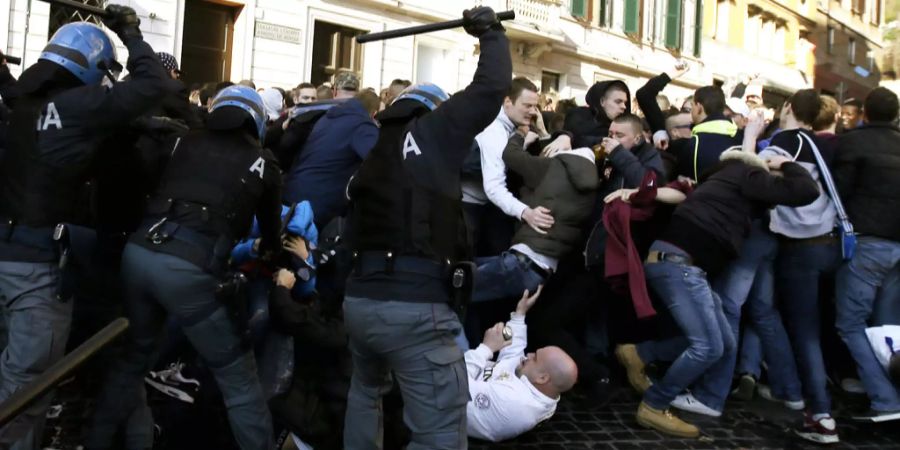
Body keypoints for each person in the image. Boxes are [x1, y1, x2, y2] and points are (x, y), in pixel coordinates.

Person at [0, 7, 171, 449]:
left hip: (5, 252)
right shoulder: (78, 106)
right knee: (26, 389)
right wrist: (130, 33)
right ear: (91, 66)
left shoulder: (19, 107)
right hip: (38, 269)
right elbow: (154, 85)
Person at [341, 7, 511, 449]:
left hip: (360, 301)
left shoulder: (376, 152)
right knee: (439, 432)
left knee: (364, 395)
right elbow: (491, 87)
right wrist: (490, 33)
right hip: (415, 307)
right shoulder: (434, 129)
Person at [86, 85, 282, 450]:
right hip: (192, 268)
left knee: (132, 362)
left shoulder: (182, 141)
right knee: (239, 382)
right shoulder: (263, 163)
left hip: (139, 253)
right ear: (255, 121)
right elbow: (272, 234)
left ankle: (98, 442)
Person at [614, 147, 819, 437]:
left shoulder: (724, 178)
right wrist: (786, 164)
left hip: (681, 265)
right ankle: (654, 404)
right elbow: (804, 190)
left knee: (723, 342)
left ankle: (641, 352)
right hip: (679, 266)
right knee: (708, 346)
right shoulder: (748, 173)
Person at [832, 87, 900, 421]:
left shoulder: (853, 142)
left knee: (851, 322)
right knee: (888, 326)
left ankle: (885, 398)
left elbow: (838, 192)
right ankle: (886, 388)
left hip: (867, 242)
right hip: (897, 246)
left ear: (865, 114)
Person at [471, 130, 598, 304]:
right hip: (541, 270)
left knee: (450, 286)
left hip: (522, 262)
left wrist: (522, 135)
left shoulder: (554, 167)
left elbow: (511, 155)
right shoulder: (589, 183)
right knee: (463, 274)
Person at [466, 287, 578, 442]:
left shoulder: (514, 403)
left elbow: (453, 383)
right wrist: (519, 316)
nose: (529, 355)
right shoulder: (536, 384)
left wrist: (487, 348)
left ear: (543, 377)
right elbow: (513, 352)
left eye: (535, 358)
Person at [462, 77, 548, 258]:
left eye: (535, 106)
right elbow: (494, 187)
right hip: (469, 211)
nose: (532, 111)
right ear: (508, 102)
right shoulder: (494, 131)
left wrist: (542, 133)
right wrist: (526, 213)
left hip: (482, 209)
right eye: (527, 105)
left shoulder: (511, 124)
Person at [283, 89, 379, 229]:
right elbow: (378, 163)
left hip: (294, 191)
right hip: (321, 201)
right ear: (373, 113)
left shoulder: (327, 117)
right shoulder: (362, 126)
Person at [667, 86, 744, 181]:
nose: (691, 112)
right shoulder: (744, 137)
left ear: (699, 108)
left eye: (692, 106)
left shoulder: (694, 144)